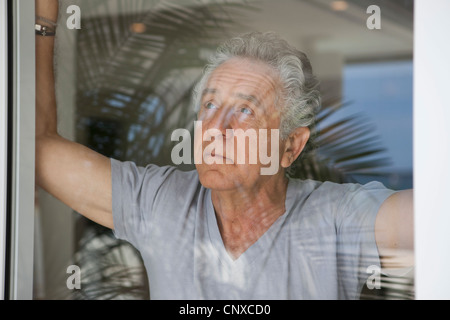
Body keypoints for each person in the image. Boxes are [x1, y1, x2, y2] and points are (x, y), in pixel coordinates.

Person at [35, 0, 413, 299]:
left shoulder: (336, 218)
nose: (215, 129)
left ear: (290, 146)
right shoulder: (159, 202)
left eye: (245, 110)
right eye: (210, 105)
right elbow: (39, 149)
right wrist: (41, 21)